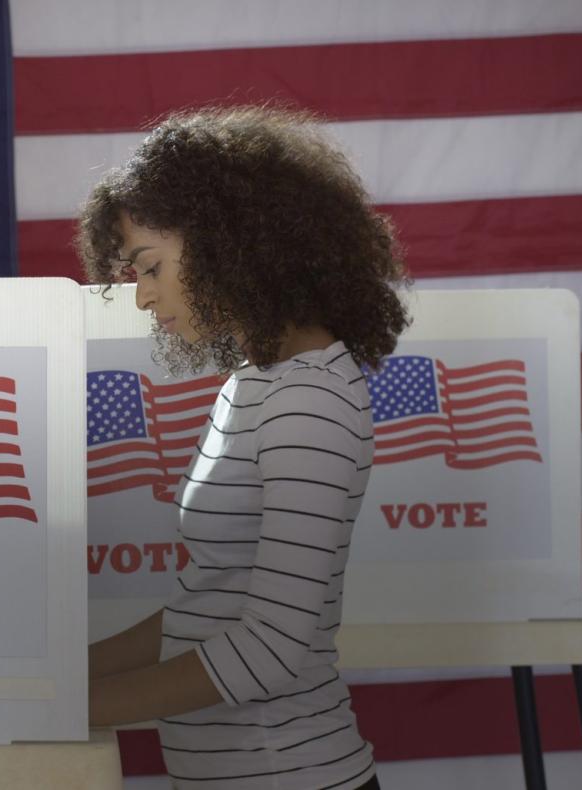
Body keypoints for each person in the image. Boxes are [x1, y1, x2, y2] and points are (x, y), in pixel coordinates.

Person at [77, 105, 410, 790]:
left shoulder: (309, 396)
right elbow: (208, 604)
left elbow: (273, 649)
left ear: (226, 244)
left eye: (151, 267)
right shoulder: (260, 379)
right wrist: (64, 672)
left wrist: (69, 707)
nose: (142, 297)